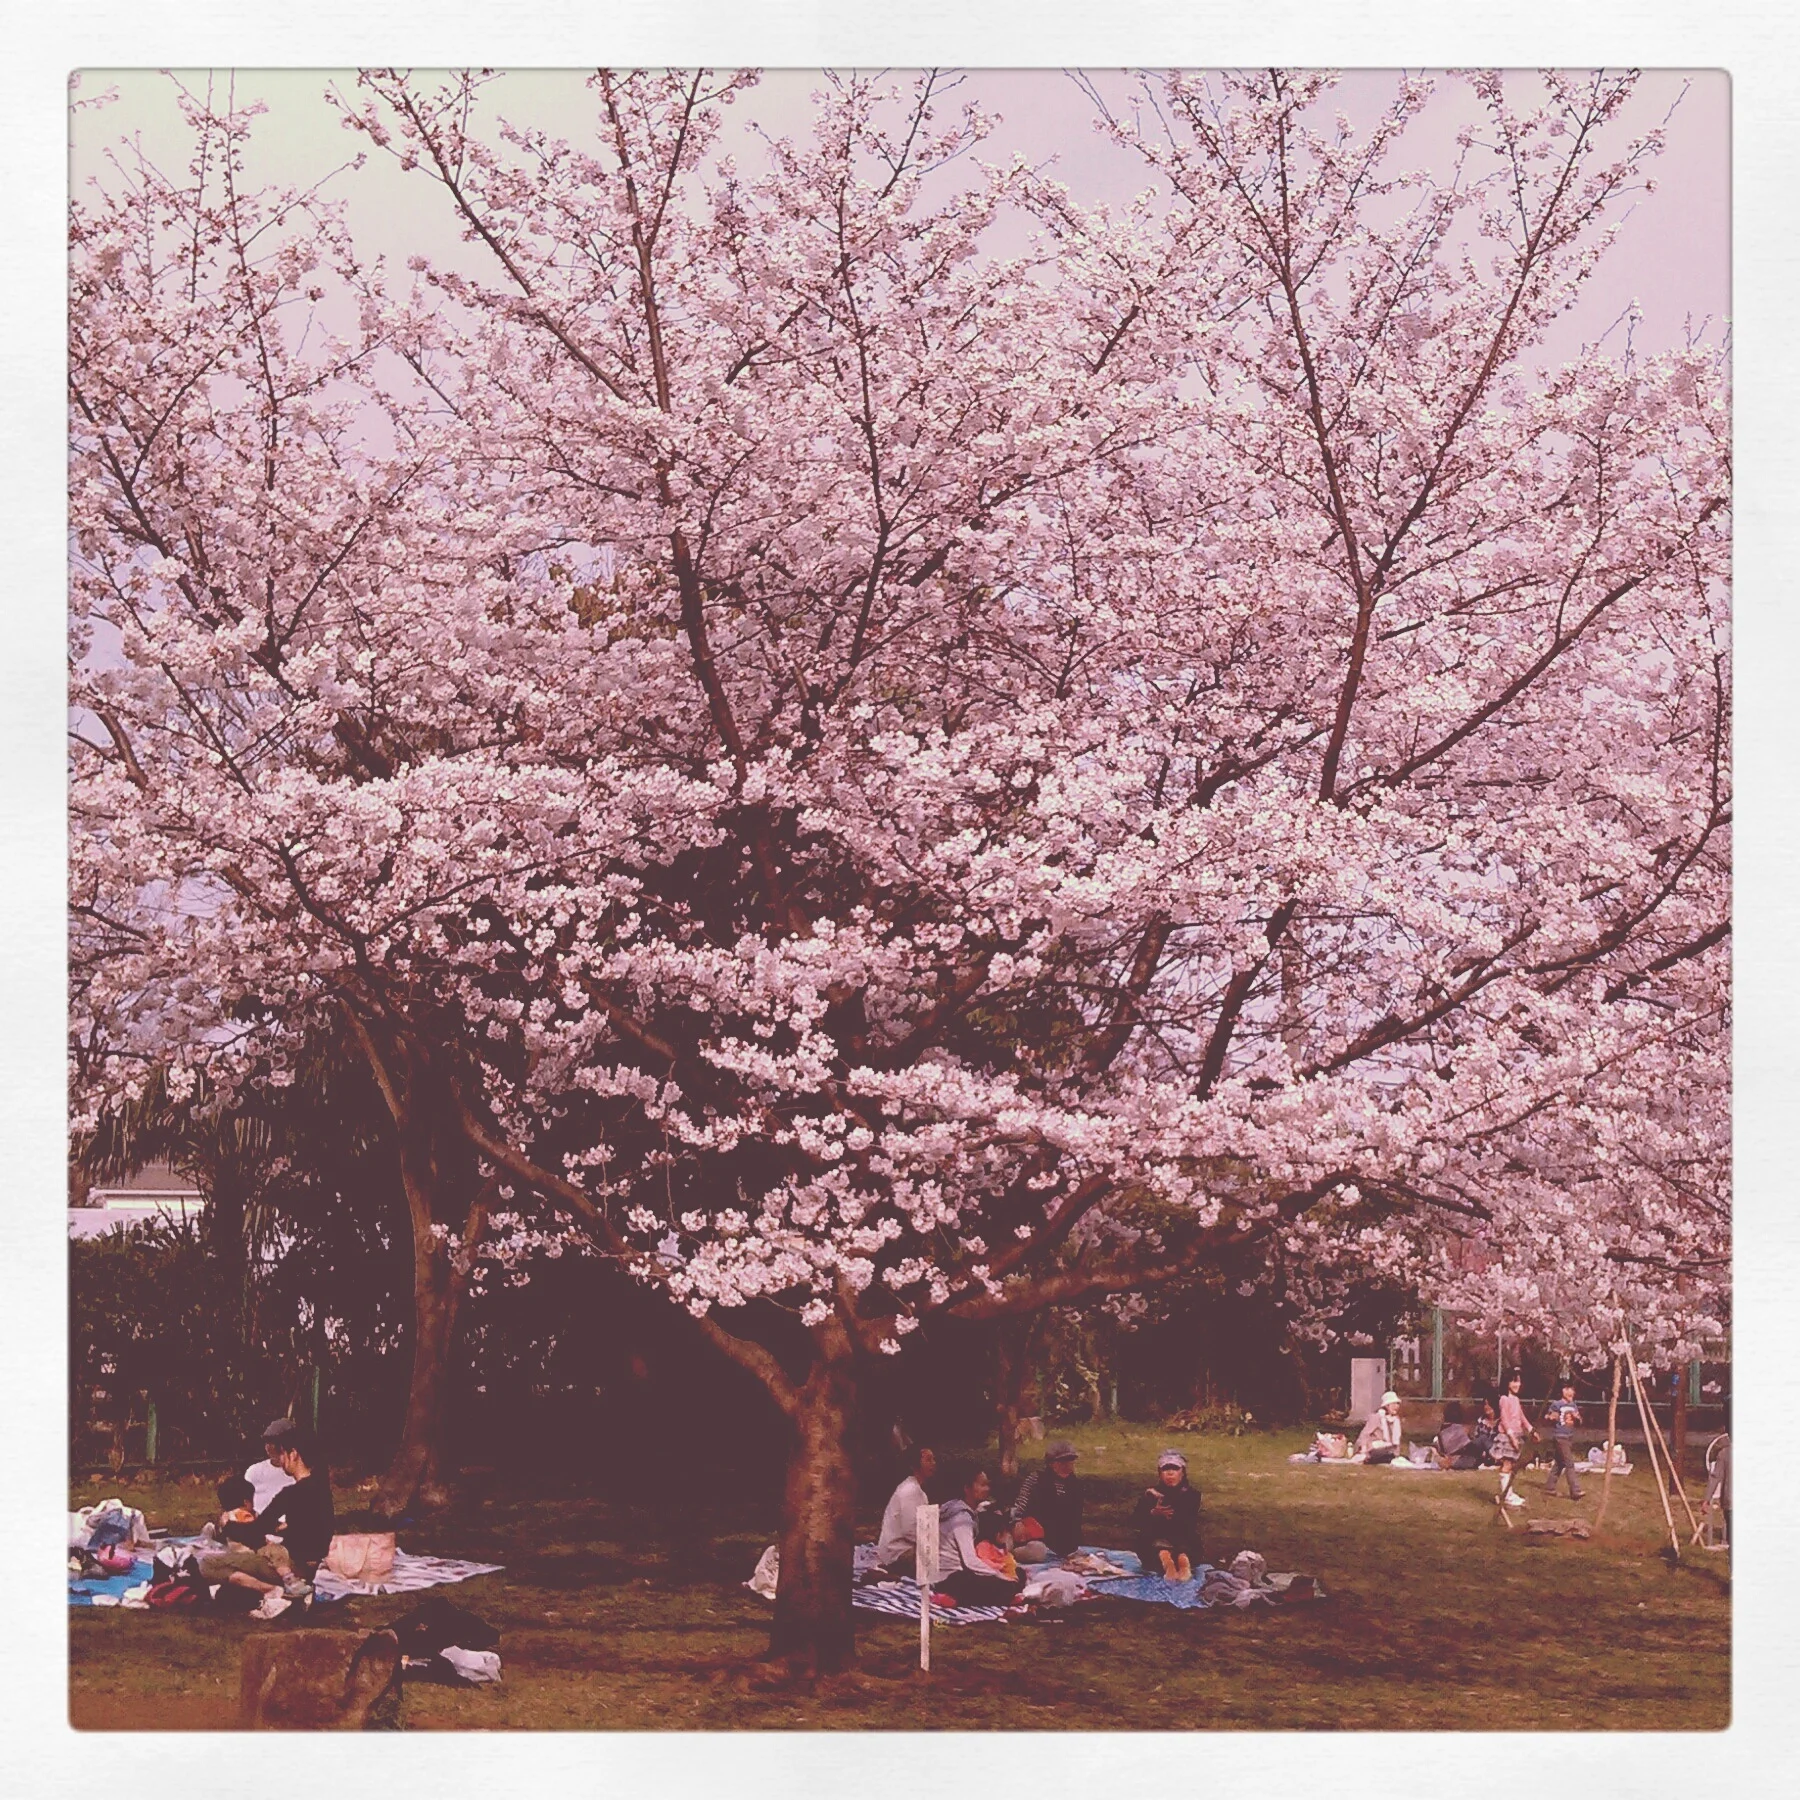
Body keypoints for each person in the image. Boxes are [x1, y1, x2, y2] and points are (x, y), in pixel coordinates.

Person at [196, 1425, 335, 1615]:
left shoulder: (291, 1494)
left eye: (282, 1454)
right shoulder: (322, 1489)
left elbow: (255, 1530)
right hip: (311, 1567)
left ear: (293, 1454)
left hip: (291, 1565)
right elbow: (313, 1530)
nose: (279, 1460)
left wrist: (228, 1526)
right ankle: (282, 1593)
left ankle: (273, 1592)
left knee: (207, 1564)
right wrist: (281, 1529)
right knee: (230, 1591)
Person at [934, 1465, 1024, 1604]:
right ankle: (953, 1598)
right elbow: (970, 1562)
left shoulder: (966, 1511)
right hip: (949, 1578)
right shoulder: (961, 1518)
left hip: (954, 1575)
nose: (987, 1489)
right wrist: (998, 1575)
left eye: (987, 1485)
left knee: (1019, 1575)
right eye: (982, 1485)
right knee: (1006, 1585)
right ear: (967, 1488)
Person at [1009, 1439, 1084, 1563]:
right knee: (1037, 1552)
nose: (1066, 1465)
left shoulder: (1075, 1485)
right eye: (1061, 1461)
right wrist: (1016, 1522)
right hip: (1034, 1537)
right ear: (1051, 1463)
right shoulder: (1036, 1480)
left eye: (1070, 1461)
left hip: (1061, 1542)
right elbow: (1019, 1507)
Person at [1133, 1449, 1202, 1579]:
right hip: (1156, 1540)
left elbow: (1187, 1523)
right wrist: (1153, 1512)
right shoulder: (1150, 1495)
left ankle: (1183, 1564)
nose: (1170, 1473)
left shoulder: (1192, 1495)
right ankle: (1167, 1565)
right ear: (1160, 1474)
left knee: (1183, 1554)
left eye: (1175, 1469)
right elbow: (1136, 1521)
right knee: (1161, 1552)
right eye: (1166, 1469)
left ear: (1183, 1473)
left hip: (1183, 1540)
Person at [876, 1444, 936, 1577]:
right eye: (928, 1460)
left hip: (910, 1548)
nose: (933, 1464)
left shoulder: (920, 1492)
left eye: (933, 1460)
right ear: (916, 1464)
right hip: (898, 1553)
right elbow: (910, 1530)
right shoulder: (909, 1490)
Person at [1494, 1369, 1534, 1507]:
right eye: (1514, 1381)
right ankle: (1506, 1495)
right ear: (1507, 1383)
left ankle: (1508, 1492)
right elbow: (1504, 1420)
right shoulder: (1504, 1400)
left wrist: (1531, 1430)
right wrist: (1511, 1437)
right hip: (1507, 1436)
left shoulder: (1516, 1399)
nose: (1518, 1384)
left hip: (1517, 1434)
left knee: (1512, 1465)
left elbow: (1521, 1417)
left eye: (1519, 1381)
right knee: (1507, 1464)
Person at [245, 1418, 300, 1514]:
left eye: (273, 1442)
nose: (268, 1447)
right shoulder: (254, 1471)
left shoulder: (300, 1473)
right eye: (266, 1442)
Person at [1542, 1380, 1585, 1498]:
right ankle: (1575, 1491)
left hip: (1569, 1436)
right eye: (1567, 1389)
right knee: (1569, 1464)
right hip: (1560, 1437)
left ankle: (1549, 1488)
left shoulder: (1573, 1405)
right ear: (1562, 1391)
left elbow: (1580, 1421)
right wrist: (1551, 1417)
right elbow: (1547, 1416)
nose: (1571, 1392)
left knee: (1560, 1463)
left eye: (1572, 1390)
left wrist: (1577, 1419)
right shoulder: (1557, 1404)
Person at [1355, 1391, 1404, 1463]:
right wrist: (1363, 1449)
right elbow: (1364, 1434)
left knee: (1391, 1455)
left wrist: (1396, 1455)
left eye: (1397, 1404)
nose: (1396, 1406)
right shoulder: (1377, 1417)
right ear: (1387, 1406)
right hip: (1374, 1448)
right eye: (1393, 1404)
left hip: (1388, 1449)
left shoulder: (1395, 1420)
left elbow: (1396, 1441)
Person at [1429, 1401, 1473, 1470]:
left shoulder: (1442, 1431)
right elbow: (1469, 1446)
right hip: (1459, 1459)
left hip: (1446, 1457)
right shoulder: (1461, 1429)